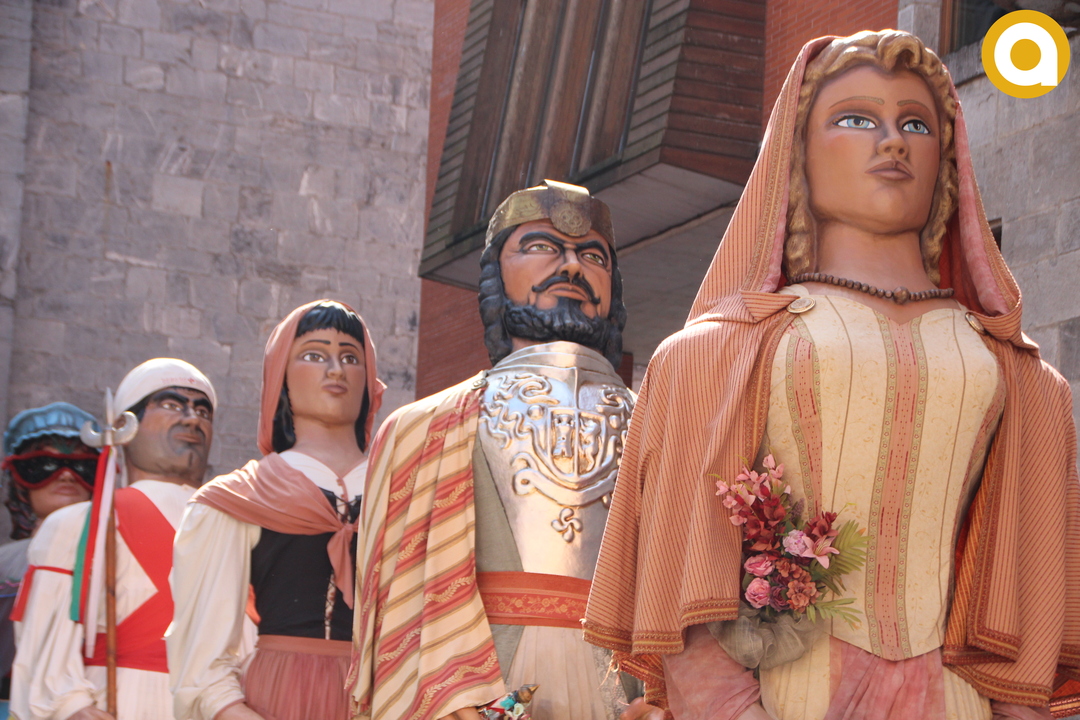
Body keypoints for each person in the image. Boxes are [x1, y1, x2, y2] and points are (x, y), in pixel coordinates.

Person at [582, 31, 1079, 720]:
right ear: (799, 152)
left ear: (948, 159)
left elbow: (1031, 577)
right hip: (787, 697)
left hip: (958, 699)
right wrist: (727, 709)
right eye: (856, 118)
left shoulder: (1021, 378)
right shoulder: (710, 356)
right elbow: (683, 581)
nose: (893, 142)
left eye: (916, 124)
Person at [352, 180, 659, 720]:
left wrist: (668, 697)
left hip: (625, 690)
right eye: (541, 246)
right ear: (495, 272)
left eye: (593, 255)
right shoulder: (419, 429)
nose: (572, 266)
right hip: (476, 689)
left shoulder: (667, 430)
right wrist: (447, 697)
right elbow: (396, 607)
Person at [168, 300, 384, 720]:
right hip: (275, 699)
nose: (335, 370)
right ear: (280, 375)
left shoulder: (404, 490)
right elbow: (203, 659)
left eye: (350, 357)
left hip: (381, 700)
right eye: (314, 355)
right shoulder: (237, 498)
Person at [11, 359, 217, 720]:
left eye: (202, 411)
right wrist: (72, 707)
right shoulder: (77, 523)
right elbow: (43, 640)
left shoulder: (231, 527)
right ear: (124, 425)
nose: (191, 419)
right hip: (117, 700)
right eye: (171, 405)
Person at [0, 404, 100, 701]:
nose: (67, 476)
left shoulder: (120, 561)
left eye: (82, 466)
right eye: (45, 464)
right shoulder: (4, 566)